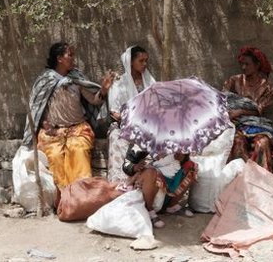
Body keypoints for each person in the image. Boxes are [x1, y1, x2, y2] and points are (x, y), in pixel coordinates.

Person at [22, 42, 115, 188]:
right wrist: (44, 124)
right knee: (55, 157)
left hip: (78, 130)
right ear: (59, 58)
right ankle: (63, 199)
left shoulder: (76, 77)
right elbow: (36, 109)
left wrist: (103, 90)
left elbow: (94, 100)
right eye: (70, 55)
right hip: (53, 132)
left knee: (78, 151)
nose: (73, 59)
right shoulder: (45, 80)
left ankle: (80, 197)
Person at [223, 47, 273, 174]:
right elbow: (224, 100)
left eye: (247, 64)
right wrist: (234, 113)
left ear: (257, 65)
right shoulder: (234, 81)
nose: (244, 67)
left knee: (263, 142)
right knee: (237, 141)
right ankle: (238, 182)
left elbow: (259, 110)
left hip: (258, 124)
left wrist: (240, 111)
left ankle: (263, 181)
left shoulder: (267, 87)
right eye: (242, 64)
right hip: (237, 123)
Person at [106, 46, 156, 182]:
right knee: (116, 137)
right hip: (125, 124)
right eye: (141, 61)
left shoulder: (150, 83)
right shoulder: (119, 84)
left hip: (147, 125)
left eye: (146, 61)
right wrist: (130, 121)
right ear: (130, 62)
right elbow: (114, 112)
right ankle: (120, 181)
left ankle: (143, 180)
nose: (145, 64)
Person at [122, 146, 198, 229]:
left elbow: (179, 164)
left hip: (169, 187)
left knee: (191, 166)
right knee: (150, 172)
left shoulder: (177, 141)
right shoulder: (143, 141)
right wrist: (134, 167)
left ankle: (172, 206)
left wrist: (182, 157)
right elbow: (126, 164)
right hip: (148, 185)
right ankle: (149, 211)